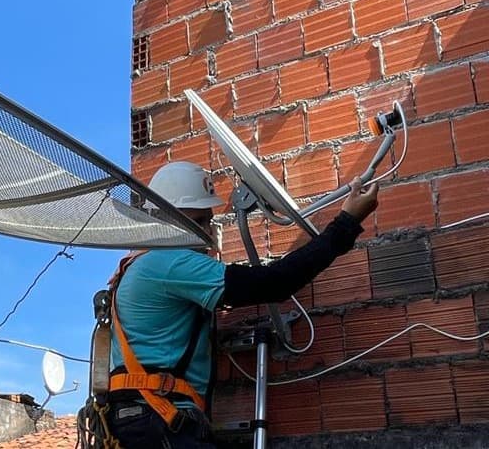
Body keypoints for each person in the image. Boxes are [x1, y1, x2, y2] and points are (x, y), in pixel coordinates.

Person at [104, 160, 379, 449]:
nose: (208, 230)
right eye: (199, 221)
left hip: (143, 418)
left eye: (207, 220)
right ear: (169, 218)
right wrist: (346, 223)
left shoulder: (141, 263)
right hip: (157, 417)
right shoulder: (170, 262)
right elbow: (275, 282)